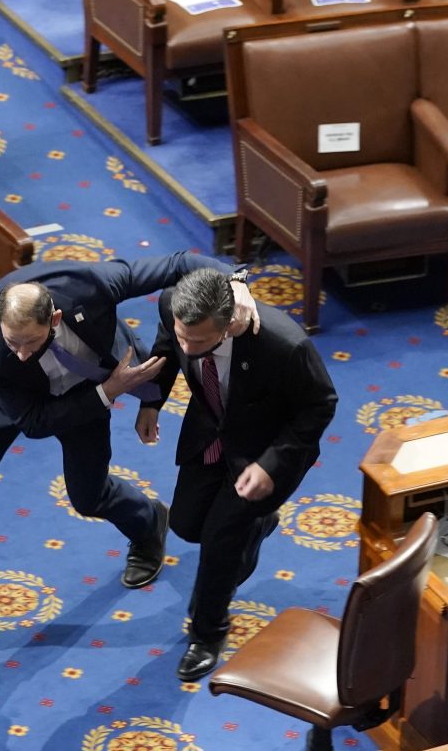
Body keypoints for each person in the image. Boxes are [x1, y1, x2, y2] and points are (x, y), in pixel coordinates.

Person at [0, 253, 256, 647]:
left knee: (88, 496)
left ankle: (147, 522)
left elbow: (176, 264)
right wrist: (108, 393)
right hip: (6, 399)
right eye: (12, 342)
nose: (19, 352)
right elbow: (34, 423)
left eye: (29, 342)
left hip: (85, 387)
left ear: (55, 318)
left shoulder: (89, 286)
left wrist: (233, 280)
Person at [142, 267, 338, 681]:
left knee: (219, 543)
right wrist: (151, 404)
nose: (187, 346)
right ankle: (260, 522)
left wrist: (271, 465)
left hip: (264, 452)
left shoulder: (285, 345)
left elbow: (319, 405)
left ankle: (208, 633)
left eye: (198, 340)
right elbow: (165, 349)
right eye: (182, 335)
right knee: (186, 524)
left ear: (229, 325)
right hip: (209, 431)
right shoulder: (172, 309)